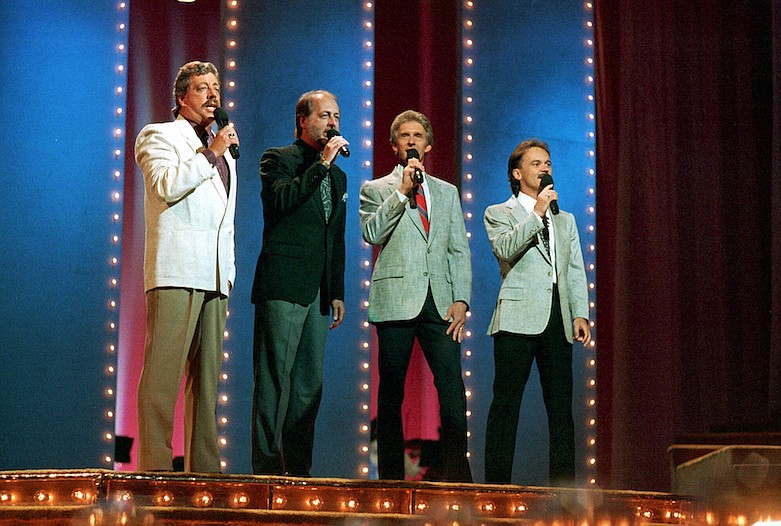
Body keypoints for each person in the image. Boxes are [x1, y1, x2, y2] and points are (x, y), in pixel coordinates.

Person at [134, 60, 239, 472]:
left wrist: (227, 272)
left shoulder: (225, 149)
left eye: (216, 87)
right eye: (202, 88)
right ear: (182, 97)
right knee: (162, 379)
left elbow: (224, 217)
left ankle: (206, 476)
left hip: (215, 276)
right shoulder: (158, 135)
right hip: (177, 271)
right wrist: (210, 153)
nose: (213, 94)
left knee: (207, 383)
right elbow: (166, 184)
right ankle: (155, 472)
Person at [359, 110, 472, 482]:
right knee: (391, 392)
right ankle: (390, 480)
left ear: (428, 145)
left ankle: (459, 476)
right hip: (396, 300)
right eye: (404, 136)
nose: (411, 141)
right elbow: (372, 234)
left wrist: (462, 299)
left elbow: (459, 250)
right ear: (394, 146)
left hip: (440, 302)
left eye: (417, 135)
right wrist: (401, 193)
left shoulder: (447, 192)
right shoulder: (376, 189)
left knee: (452, 388)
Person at [250, 90, 348, 476]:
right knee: (274, 379)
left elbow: (334, 236)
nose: (333, 123)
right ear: (303, 121)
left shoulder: (338, 174)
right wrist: (321, 165)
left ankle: (299, 473)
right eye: (325, 115)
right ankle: (266, 471)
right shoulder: (278, 159)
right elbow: (281, 202)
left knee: (309, 386)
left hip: (318, 292)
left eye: (337, 116)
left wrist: (336, 289)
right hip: (283, 284)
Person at [483, 138, 591, 486]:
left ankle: (564, 493)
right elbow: (505, 248)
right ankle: (497, 489)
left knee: (561, 411)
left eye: (547, 164)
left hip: (557, 316)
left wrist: (580, 313)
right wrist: (538, 213)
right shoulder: (498, 213)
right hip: (517, 317)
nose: (545, 169)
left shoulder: (566, 219)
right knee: (506, 405)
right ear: (517, 173)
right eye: (536, 164)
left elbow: (574, 267)